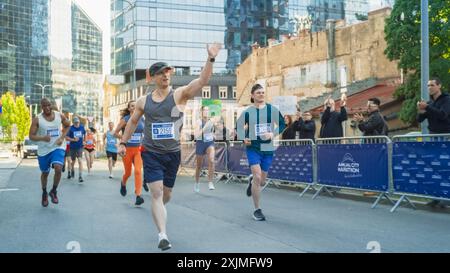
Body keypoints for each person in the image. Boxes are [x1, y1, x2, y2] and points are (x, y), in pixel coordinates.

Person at [118, 42, 222, 251]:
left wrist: (210, 58)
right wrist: (122, 142)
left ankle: (159, 211)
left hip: (172, 154)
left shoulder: (179, 95)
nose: (166, 76)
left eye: (168, 73)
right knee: (156, 193)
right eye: (161, 73)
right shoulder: (143, 101)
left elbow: (202, 81)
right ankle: (162, 235)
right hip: (151, 153)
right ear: (153, 77)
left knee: (166, 195)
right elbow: (132, 122)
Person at [236, 83, 285, 221]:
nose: (261, 94)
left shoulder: (271, 109)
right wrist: (243, 138)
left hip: (267, 148)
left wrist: (273, 133)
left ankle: (252, 181)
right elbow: (239, 126)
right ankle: (257, 210)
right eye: (258, 93)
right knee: (258, 176)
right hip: (253, 148)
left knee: (262, 181)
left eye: (263, 92)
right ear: (252, 95)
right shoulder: (248, 112)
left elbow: (282, 124)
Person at [29, 98, 71, 207]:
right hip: (44, 150)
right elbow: (31, 136)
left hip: (58, 146)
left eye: (48, 105)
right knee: (45, 173)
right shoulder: (37, 119)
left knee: (58, 168)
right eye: (44, 106)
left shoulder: (59, 115)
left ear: (51, 105)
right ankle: (44, 192)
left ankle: (53, 191)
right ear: (41, 107)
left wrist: (62, 137)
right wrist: (43, 138)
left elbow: (68, 124)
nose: (47, 108)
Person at [417, 77, 450, 209]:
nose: (429, 88)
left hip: (445, 137)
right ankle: (436, 197)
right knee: (434, 168)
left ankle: (446, 198)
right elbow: (419, 119)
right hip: (433, 137)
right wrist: (421, 109)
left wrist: (427, 108)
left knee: (445, 167)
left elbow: (443, 115)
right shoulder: (430, 103)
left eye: (432, 85)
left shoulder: (447, 100)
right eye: (428, 85)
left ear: (439, 86)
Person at [114, 100, 146, 206]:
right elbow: (115, 133)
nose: (134, 107)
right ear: (129, 109)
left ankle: (138, 195)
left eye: (135, 106)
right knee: (128, 173)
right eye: (132, 106)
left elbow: (145, 133)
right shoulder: (125, 119)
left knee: (138, 171)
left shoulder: (142, 119)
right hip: (127, 150)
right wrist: (124, 138)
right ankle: (123, 183)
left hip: (138, 149)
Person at [194, 106, 216, 192]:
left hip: (209, 143)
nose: (206, 112)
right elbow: (197, 135)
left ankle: (210, 182)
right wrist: (204, 127)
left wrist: (214, 135)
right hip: (200, 143)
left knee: (211, 160)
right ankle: (196, 182)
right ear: (201, 112)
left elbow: (213, 132)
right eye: (204, 110)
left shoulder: (211, 121)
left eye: (208, 110)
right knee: (199, 166)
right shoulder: (198, 122)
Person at [66, 116, 86, 183]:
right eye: (76, 123)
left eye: (78, 122)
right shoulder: (70, 128)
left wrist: (84, 141)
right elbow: (66, 137)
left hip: (80, 147)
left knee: (80, 161)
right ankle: (72, 169)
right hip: (72, 147)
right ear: (73, 123)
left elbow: (84, 133)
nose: (77, 124)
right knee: (73, 161)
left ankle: (80, 176)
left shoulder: (82, 127)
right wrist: (73, 139)